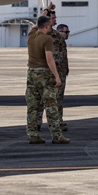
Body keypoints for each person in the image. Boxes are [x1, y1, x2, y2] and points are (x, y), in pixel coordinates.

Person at [25, 14, 68, 144]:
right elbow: (49, 59)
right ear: (47, 26)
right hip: (44, 74)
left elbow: (36, 25)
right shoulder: (47, 39)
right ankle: (56, 135)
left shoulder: (31, 35)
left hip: (31, 74)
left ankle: (33, 135)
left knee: (33, 106)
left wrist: (46, 10)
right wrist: (57, 76)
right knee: (51, 105)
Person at [52, 22, 70, 130]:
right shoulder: (56, 42)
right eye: (66, 32)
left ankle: (58, 120)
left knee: (59, 99)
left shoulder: (62, 42)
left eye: (68, 32)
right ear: (59, 32)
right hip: (57, 75)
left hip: (62, 74)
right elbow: (55, 59)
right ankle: (57, 122)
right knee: (56, 99)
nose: (67, 34)